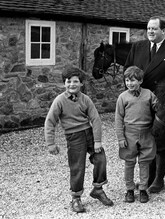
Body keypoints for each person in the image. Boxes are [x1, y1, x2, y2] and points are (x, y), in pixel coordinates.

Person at [124, 16, 165, 193]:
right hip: (141, 103)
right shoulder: (137, 47)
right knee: (146, 141)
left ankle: (161, 179)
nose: (150, 32)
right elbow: (128, 72)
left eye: (154, 29)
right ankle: (149, 176)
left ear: (164, 31)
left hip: (164, 105)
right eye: (148, 29)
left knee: (164, 142)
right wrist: (130, 94)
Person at [44, 66, 113, 213]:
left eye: (75, 81)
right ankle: (76, 198)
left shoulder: (85, 99)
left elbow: (96, 119)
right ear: (64, 83)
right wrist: (51, 143)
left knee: (100, 159)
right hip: (74, 137)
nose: (72, 85)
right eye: (68, 82)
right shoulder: (60, 101)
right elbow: (50, 122)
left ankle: (98, 189)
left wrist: (97, 141)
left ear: (81, 83)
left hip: (89, 133)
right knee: (77, 167)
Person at [115, 66, 157, 203]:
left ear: (141, 81)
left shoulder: (149, 94)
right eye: (127, 80)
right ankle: (129, 189)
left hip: (146, 132)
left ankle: (143, 189)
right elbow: (118, 118)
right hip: (129, 133)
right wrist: (121, 138)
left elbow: (158, 108)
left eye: (133, 80)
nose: (130, 83)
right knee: (129, 162)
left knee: (144, 162)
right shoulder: (123, 97)